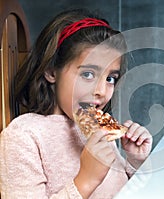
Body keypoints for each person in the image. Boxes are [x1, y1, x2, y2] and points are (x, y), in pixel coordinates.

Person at [0, 8, 152, 199]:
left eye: (110, 78)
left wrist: (136, 162)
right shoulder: (23, 137)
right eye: (88, 74)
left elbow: (122, 191)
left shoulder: (98, 127)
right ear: (52, 71)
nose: (101, 91)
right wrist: (85, 181)